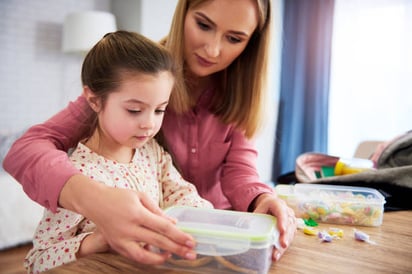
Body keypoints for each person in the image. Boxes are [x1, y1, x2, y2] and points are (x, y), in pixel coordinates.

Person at [4, 0, 296, 265]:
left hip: (210, 243)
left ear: (251, 43)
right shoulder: (128, 79)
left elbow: (238, 173)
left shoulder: (159, 149)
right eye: (204, 25)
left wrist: (260, 199)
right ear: (184, 13)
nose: (213, 49)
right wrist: (93, 198)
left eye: (234, 38)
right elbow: (26, 149)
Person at [24, 30, 213, 273]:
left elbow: (180, 192)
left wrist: (201, 220)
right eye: (135, 110)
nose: (149, 124)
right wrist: (94, 242)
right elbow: (36, 261)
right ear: (94, 100)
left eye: (159, 110)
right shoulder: (76, 175)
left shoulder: (151, 151)